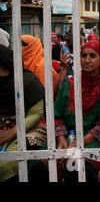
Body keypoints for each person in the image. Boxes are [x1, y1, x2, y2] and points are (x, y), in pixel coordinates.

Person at [54, 40, 100, 182]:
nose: (87, 60)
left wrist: (78, 143)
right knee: (39, 162)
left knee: (76, 165)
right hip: (68, 136)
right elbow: (57, 114)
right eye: (83, 56)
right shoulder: (71, 82)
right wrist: (61, 138)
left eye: (92, 56)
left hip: (97, 138)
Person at [0, 45, 48, 182]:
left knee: (8, 161)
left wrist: (11, 132)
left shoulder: (27, 82)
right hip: (3, 130)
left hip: (29, 128)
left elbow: (36, 113)